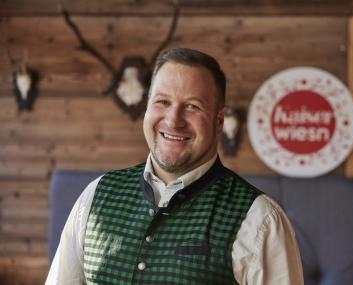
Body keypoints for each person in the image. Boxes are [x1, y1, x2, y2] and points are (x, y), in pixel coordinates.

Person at [46, 47, 304, 285]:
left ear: (219, 122)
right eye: (162, 102)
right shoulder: (96, 196)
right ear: (147, 107)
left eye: (192, 106)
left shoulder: (261, 220)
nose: (173, 120)